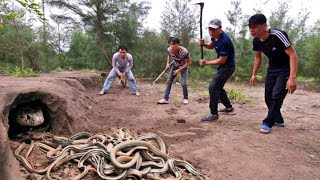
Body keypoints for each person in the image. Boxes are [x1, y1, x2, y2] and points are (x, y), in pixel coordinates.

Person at [248, 14, 298, 134]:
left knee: (276, 95)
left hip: (285, 69)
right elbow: (257, 58)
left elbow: (293, 55)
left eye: (254, 27)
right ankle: (278, 119)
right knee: (268, 97)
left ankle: (268, 122)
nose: (251, 30)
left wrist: (292, 77)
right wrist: (253, 74)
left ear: (264, 26)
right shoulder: (256, 41)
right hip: (272, 69)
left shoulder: (278, 35)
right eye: (249, 27)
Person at [198, 18, 236, 122]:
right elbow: (211, 46)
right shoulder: (214, 37)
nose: (211, 31)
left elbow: (222, 60)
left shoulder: (225, 41)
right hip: (224, 66)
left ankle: (214, 114)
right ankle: (229, 108)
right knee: (218, 87)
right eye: (209, 29)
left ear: (220, 28)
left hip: (228, 67)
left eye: (213, 29)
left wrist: (206, 63)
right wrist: (204, 44)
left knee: (213, 87)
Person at [157, 37, 192, 105]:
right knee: (169, 81)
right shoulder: (169, 49)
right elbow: (169, 55)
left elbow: (189, 62)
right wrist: (167, 63)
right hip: (175, 65)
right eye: (170, 44)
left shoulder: (184, 51)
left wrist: (179, 70)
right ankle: (165, 99)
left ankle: (185, 98)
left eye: (174, 44)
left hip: (184, 66)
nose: (172, 46)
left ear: (178, 44)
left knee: (184, 83)